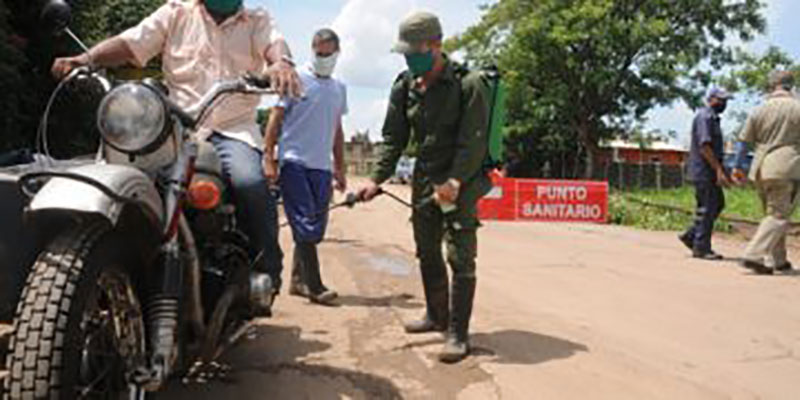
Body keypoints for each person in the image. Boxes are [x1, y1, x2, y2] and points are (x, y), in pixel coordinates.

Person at [51, 0, 303, 311]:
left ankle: (265, 274)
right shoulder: (176, 12)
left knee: (249, 182)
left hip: (231, 130)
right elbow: (132, 42)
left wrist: (283, 63)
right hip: (174, 128)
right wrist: (86, 58)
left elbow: (275, 46)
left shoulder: (256, 19)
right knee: (120, 175)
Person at [357, 11, 492, 363]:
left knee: (460, 256)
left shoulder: (468, 84)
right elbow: (393, 138)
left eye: (414, 51)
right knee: (426, 250)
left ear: (436, 45)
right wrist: (375, 179)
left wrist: (455, 181)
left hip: (460, 181)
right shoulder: (405, 86)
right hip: (424, 180)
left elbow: (473, 142)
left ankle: (458, 335)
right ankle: (436, 316)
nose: (409, 58)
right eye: (405, 53)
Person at [263, 28, 348, 305]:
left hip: (321, 167)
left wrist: (340, 166)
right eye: (318, 52)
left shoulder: (339, 88)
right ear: (312, 50)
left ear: (337, 53)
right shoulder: (296, 78)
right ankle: (315, 285)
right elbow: (275, 119)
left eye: (328, 53)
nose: (323, 57)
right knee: (304, 223)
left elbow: (337, 130)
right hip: (294, 161)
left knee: (316, 227)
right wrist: (269, 157)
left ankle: (298, 281)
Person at [733, 71, 800, 275]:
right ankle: (753, 255)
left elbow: (743, 142)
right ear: (791, 86)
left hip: (761, 168)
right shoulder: (797, 107)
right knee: (779, 215)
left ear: (772, 87)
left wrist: (737, 167)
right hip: (787, 166)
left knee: (772, 214)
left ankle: (779, 260)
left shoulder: (759, 110)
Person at [678, 88, 733, 260]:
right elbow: (705, 146)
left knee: (716, 204)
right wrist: (718, 170)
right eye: (721, 100)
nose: (724, 104)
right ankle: (701, 247)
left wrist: (722, 171)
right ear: (711, 99)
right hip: (704, 171)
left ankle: (692, 235)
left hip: (709, 171)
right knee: (708, 207)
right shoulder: (705, 117)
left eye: (726, 101)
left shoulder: (713, 119)